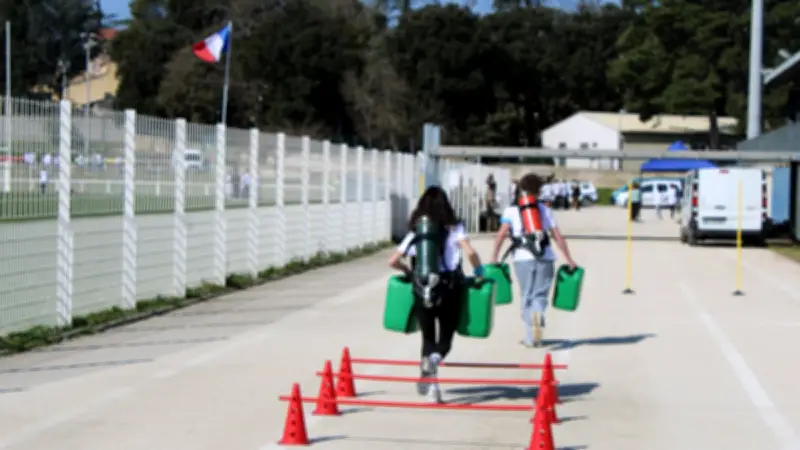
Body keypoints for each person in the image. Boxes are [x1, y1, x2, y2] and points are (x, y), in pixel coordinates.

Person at [388, 186, 485, 403]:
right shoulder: (454, 227)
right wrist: (479, 271)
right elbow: (470, 252)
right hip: (448, 288)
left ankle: (433, 388)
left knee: (428, 338)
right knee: (446, 339)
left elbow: (392, 260)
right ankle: (435, 359)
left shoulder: (417, 231)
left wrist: (408, 271)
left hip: (421, 287)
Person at [490, 173, 577, 348]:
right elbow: (557, 237)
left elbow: (500, 235)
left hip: (522, 258)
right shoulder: (545, 209)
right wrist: (569, 260)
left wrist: (494, 257)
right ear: (539, 191)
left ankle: (531, 336)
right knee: (540, 295)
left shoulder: (511, 210)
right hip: (545, 257)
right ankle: (538, 314)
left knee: (526, 295)